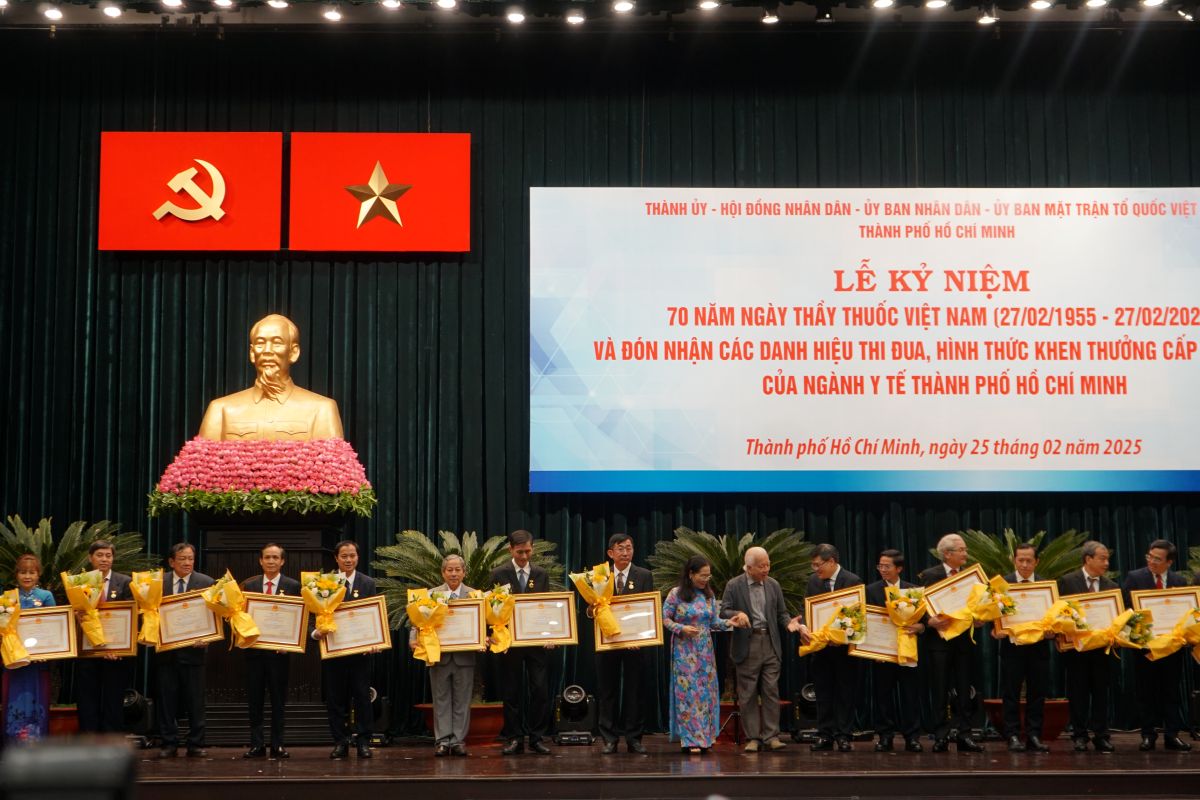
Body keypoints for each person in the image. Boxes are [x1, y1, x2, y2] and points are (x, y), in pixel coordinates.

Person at [197, 313, 343, 441]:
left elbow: (332, 468)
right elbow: (200, 467)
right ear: (252, 353)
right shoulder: (221, 410)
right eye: (260, 343)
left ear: (293, 352)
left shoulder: (321, 409)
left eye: (277, 343)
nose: (267, 351)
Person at [663, 555, 749, 754]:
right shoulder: (676, 594)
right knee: (688, 694)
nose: (705, 580)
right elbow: (665, 619)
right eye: (702, 576)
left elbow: (713, 623)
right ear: (691, 574)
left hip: (705, 652)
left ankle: (705, 737)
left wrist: (730, 623)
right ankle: (691, 739)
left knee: (705, 694)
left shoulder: (708, 596)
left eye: (708, 576)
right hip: (684, 651)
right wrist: (681, 628)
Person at [721, 546, 801, 753]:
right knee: (747, 694)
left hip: (770, 642)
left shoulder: (773, 585)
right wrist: (738, 613)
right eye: (762, 566)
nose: (767, 569)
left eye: (768, 564)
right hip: (747, 643)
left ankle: (772, 736)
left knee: (771, 690)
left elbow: (782, 613)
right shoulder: (734, 585)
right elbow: (724, 611)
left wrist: (789, 624)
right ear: (749, 568)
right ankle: (753, 738)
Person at [1122, 538, 1192, 752]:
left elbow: (1189, 613)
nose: (1152, 561)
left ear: (1169, 562)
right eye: (1150, 557)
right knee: (1146, 692)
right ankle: (1148, 735)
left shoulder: (1179, 581)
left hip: (1172, 649)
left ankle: (1172, 735)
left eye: (1157, 559)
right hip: (1146, 648)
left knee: (1171, 692)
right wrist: (1138, 630)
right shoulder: (1135, 577)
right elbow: (1125, 608)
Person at [919, 533, 985, 753]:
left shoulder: (971, 578)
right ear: (947, 554)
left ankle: (965, 734)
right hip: (939, 643)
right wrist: (930, 621)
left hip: (964, 642)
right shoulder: (930, 575)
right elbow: (921, 609)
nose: (966, 554)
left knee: (965, 689)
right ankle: (940, 735)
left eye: (965, 550)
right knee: (939, 689)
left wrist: (980, 617)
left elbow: (978, 606)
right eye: (962, 550)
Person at [490, 529, 553, 755]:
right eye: (520, 552)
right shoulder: (499, 573)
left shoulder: (541, 574)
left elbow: (545, 607)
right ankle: (514, 738)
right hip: (510, 643)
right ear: (510, 549)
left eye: (527, 551)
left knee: (540, 691)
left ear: (532, 549)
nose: (524, 556)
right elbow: (493, 608)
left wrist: (550, 634)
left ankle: (536, 738)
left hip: (536, 643)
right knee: (511, 691)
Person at [796, 543, 863, 752]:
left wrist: (841, 636)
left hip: (844, 650)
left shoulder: (852, 581)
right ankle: (824, 735)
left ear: (831, 561)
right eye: (813, 565)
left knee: (845, 693)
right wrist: (804, 627)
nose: (816, 569)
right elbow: (808, 609)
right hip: (821, 649)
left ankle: (844, 735)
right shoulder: (813, 582)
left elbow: (857, 615)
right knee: (823, 693)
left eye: (818, 564)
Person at [409, 554, 477, 757]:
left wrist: (485, 638)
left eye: (457, 569)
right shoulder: (430, 595)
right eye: (450, 570)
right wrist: (413, 639)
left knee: (462, 700)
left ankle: (457, 741)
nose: (454, 573)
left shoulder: (475, 595)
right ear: (443, 572)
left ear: (464, 572)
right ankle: (442, 741)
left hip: (465, 657)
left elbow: (483, 623)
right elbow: (416, 620)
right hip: (437, 655)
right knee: (441, 699)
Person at [315, 540, 377, 759]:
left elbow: (373, 616)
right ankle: (340, 741)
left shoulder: (368, 583)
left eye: (352, 555)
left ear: (358, 558)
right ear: (336, 558)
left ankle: (363, 742)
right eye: (344, 556)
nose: (348, 560)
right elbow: (315, 616)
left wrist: (375, 641)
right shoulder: (323, 584)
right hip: (334, 652)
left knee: (362, 697)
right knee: (336, 699)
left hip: (360, 654)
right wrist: (317, 633)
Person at [239, 543, 300, 760]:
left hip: (280, 654)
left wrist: (291, 641)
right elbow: (238, 616)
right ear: (260, 561)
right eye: (267, 557)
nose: (271, 561)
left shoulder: (293, 586)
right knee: (255, 700)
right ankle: (257, 745)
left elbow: (300, 618)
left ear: (282, 561)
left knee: (278, 701)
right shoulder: (249, 585)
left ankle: (278, 744)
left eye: (275, 557)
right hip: (254, 653)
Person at [595, 533, 654, 755]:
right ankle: (609, 739)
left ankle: (634, 738)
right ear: (610, 553)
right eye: (620, 549)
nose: (625, 552)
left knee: (634, 691)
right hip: (607, 643)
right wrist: (593, 611)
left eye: (629, 548)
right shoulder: (599, 576)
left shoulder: (644, 575)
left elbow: (648, 609)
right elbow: (592, 608)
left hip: (635, 645)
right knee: (607, 691)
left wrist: (640, 637)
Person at [1057, 540, 1118, 753]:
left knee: (1101, 694)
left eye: (1107, 559)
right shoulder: (1067, 581)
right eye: (1102, 558)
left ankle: (1101, 735)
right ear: (1088, 559)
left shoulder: (1112, 587)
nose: (1106, 563)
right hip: (1076, 650)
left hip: (1102, 651)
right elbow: (1058, 613)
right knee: (1078, 693)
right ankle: (1080, 735)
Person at [156, 542, 215, 758]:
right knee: (166, 700)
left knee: (195, 701)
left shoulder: (206, 582)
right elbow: (149, 613)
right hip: (166, 652)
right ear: (171, 561)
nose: (187, 562)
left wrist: (208, 637)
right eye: (182, 558)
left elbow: (215, 616)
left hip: (195, 653)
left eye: (190, 558)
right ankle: (168, 743)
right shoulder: (158, 584)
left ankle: (196, 744)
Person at [864, 549, 924, 753]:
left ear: (899, 568)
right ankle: (885, 736)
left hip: (907, 651)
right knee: (883, 696)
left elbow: (923, 622)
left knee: (910, 695)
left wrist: (920, 627)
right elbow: (867, 621)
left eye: (887, 566)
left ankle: (912, 737)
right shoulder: (871, 590)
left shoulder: (913, 590)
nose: (883, 570)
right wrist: (874, 650)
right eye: (880, 566)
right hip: (882, 652)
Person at [993, 542, 1051, 753]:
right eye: (1021, 560)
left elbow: (1054, 616)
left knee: (1037, 694)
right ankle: (1012, 736)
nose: (1025, 565)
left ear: (1036, 562)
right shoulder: (1003, 585)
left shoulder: (1047, 586)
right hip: (1012, 649)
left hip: (1039, 648)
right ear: (1014, 560)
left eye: (1029, 560)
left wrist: (1052, 629)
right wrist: (996, 628)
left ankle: (1034, 735)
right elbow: (994, 615)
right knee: (1011, 693)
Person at [74, 539, 134, 735]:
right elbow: (72, 615)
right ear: (90, 558)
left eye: (108, 556)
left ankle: (111, 742)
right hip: (88, 652)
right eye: (100, 555)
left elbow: (131, 618)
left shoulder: (125, 582)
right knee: (87, 699)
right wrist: (76, 616)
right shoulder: (78, 582)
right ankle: (88, 740)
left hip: (115, 654)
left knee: (113, 699)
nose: (104, 559)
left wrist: (119, 648)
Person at [3, 554, 55, 743]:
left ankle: (37, 743)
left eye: (31, 572)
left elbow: (52, 626)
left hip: (38, 662)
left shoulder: (46, 596)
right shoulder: (7, 597)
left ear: (38, 575)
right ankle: (13, 743)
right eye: (23, 572)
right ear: (16, 575)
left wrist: (45, 652)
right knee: (13, 699)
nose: (27, 576)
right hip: (15, 660)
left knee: (38, 699)